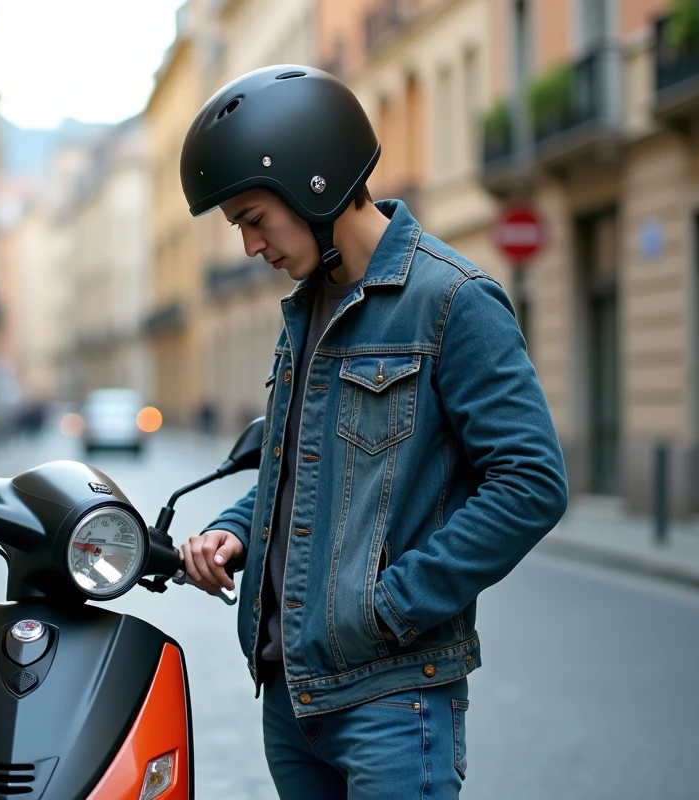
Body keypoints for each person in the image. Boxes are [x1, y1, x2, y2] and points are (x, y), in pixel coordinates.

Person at [176, 66, 568, 799]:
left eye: (254, 219)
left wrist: (391, 605)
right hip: (291, 699)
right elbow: (302, 466)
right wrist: (234, 530)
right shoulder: (306, 309)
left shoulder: (452, 300)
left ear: (313, 183)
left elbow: (532, 483)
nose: (251, 246)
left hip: (392, 702)